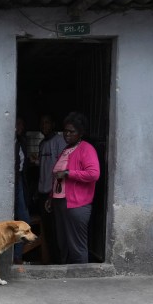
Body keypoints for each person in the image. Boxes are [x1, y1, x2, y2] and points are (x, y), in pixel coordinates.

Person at [45, 112, 100, 264]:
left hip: (77, 205)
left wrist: (69, 173)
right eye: (65, 131)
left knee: (77, 246)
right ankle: (66, 278)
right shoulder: (66, 150)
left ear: (80, 133)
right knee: (63, 244)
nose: (67, 134)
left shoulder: (86, 149)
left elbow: (93, 174)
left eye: (72, 131)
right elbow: (58, 176)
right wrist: (51, 197)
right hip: (60, 202)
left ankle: (81, 280)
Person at [36, 114, 66, 263]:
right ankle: (51, 261)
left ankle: (59, 261)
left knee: (56, 229)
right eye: (42, 123)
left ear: (53, 124)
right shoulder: (42, 144)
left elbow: (61, 167)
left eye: (47, 122)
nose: (44, 126)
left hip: (53, 193)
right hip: (42, 192)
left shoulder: (59, 142)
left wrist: (53, 193)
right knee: (47, 230)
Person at [13, 117, 31, 264]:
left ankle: (17, 257)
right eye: (17, 123)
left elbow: (23, 168)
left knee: (23, 219)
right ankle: (13, 257)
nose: (19, 127)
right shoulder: (9, 143)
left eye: (21, 124)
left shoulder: (21, 142)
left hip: (19, 181)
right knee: (15, 220)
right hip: (11, 182)